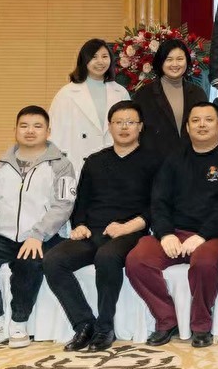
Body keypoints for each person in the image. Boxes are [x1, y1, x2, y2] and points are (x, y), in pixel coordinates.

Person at [43, 101, 164, 352]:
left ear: (140, 127)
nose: (124, 127)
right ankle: (84, 324)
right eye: (118, 122)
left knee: (107, 257)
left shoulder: (154, 161)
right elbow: (82, 201)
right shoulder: (95, 160)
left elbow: (158, 205)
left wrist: (127, 227)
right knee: (53, 260)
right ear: (109, 126)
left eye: (130, 122)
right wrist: (80, 225)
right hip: (93, 231)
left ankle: (105, 327)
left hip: (131, 231)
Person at [125, 103, 218, 348]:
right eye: (195, 121)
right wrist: (165, 234)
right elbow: (159, 201)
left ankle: (201, 324)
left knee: (205, 263)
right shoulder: (174, 159)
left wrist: (202, 235)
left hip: (213, 236)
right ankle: (167, 318)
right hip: (175, 233)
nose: (202, 125)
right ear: (187, 127)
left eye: (208, 120)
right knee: (137, 260)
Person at [0, 106, 75, 350]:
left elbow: (63, 205)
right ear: (15, 130)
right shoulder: (0, 165)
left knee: (29, 262)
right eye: (24, 126)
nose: (30, 131)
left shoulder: (61, 165)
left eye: (37, 126)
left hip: (45, 235)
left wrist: (38, 235)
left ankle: (19, 322)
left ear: (48, 131)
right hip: (4, 236)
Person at [49, 39, 130, 173]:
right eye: (94, 57)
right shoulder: (66, 94)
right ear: (84, 60)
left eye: (105, 56)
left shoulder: (120, 92)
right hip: (78, 164)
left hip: (114, 163)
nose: (100, 61)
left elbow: (130, 130)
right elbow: (55, 135)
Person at [133, 39, 207, 158]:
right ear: (160, 62)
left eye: (180, 59)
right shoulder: (144, 94)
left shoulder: (198, 93)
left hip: (191, 160)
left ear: (187, 61)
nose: (175, 64)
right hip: (155, 161)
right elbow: (137, 132)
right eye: (169, 59)